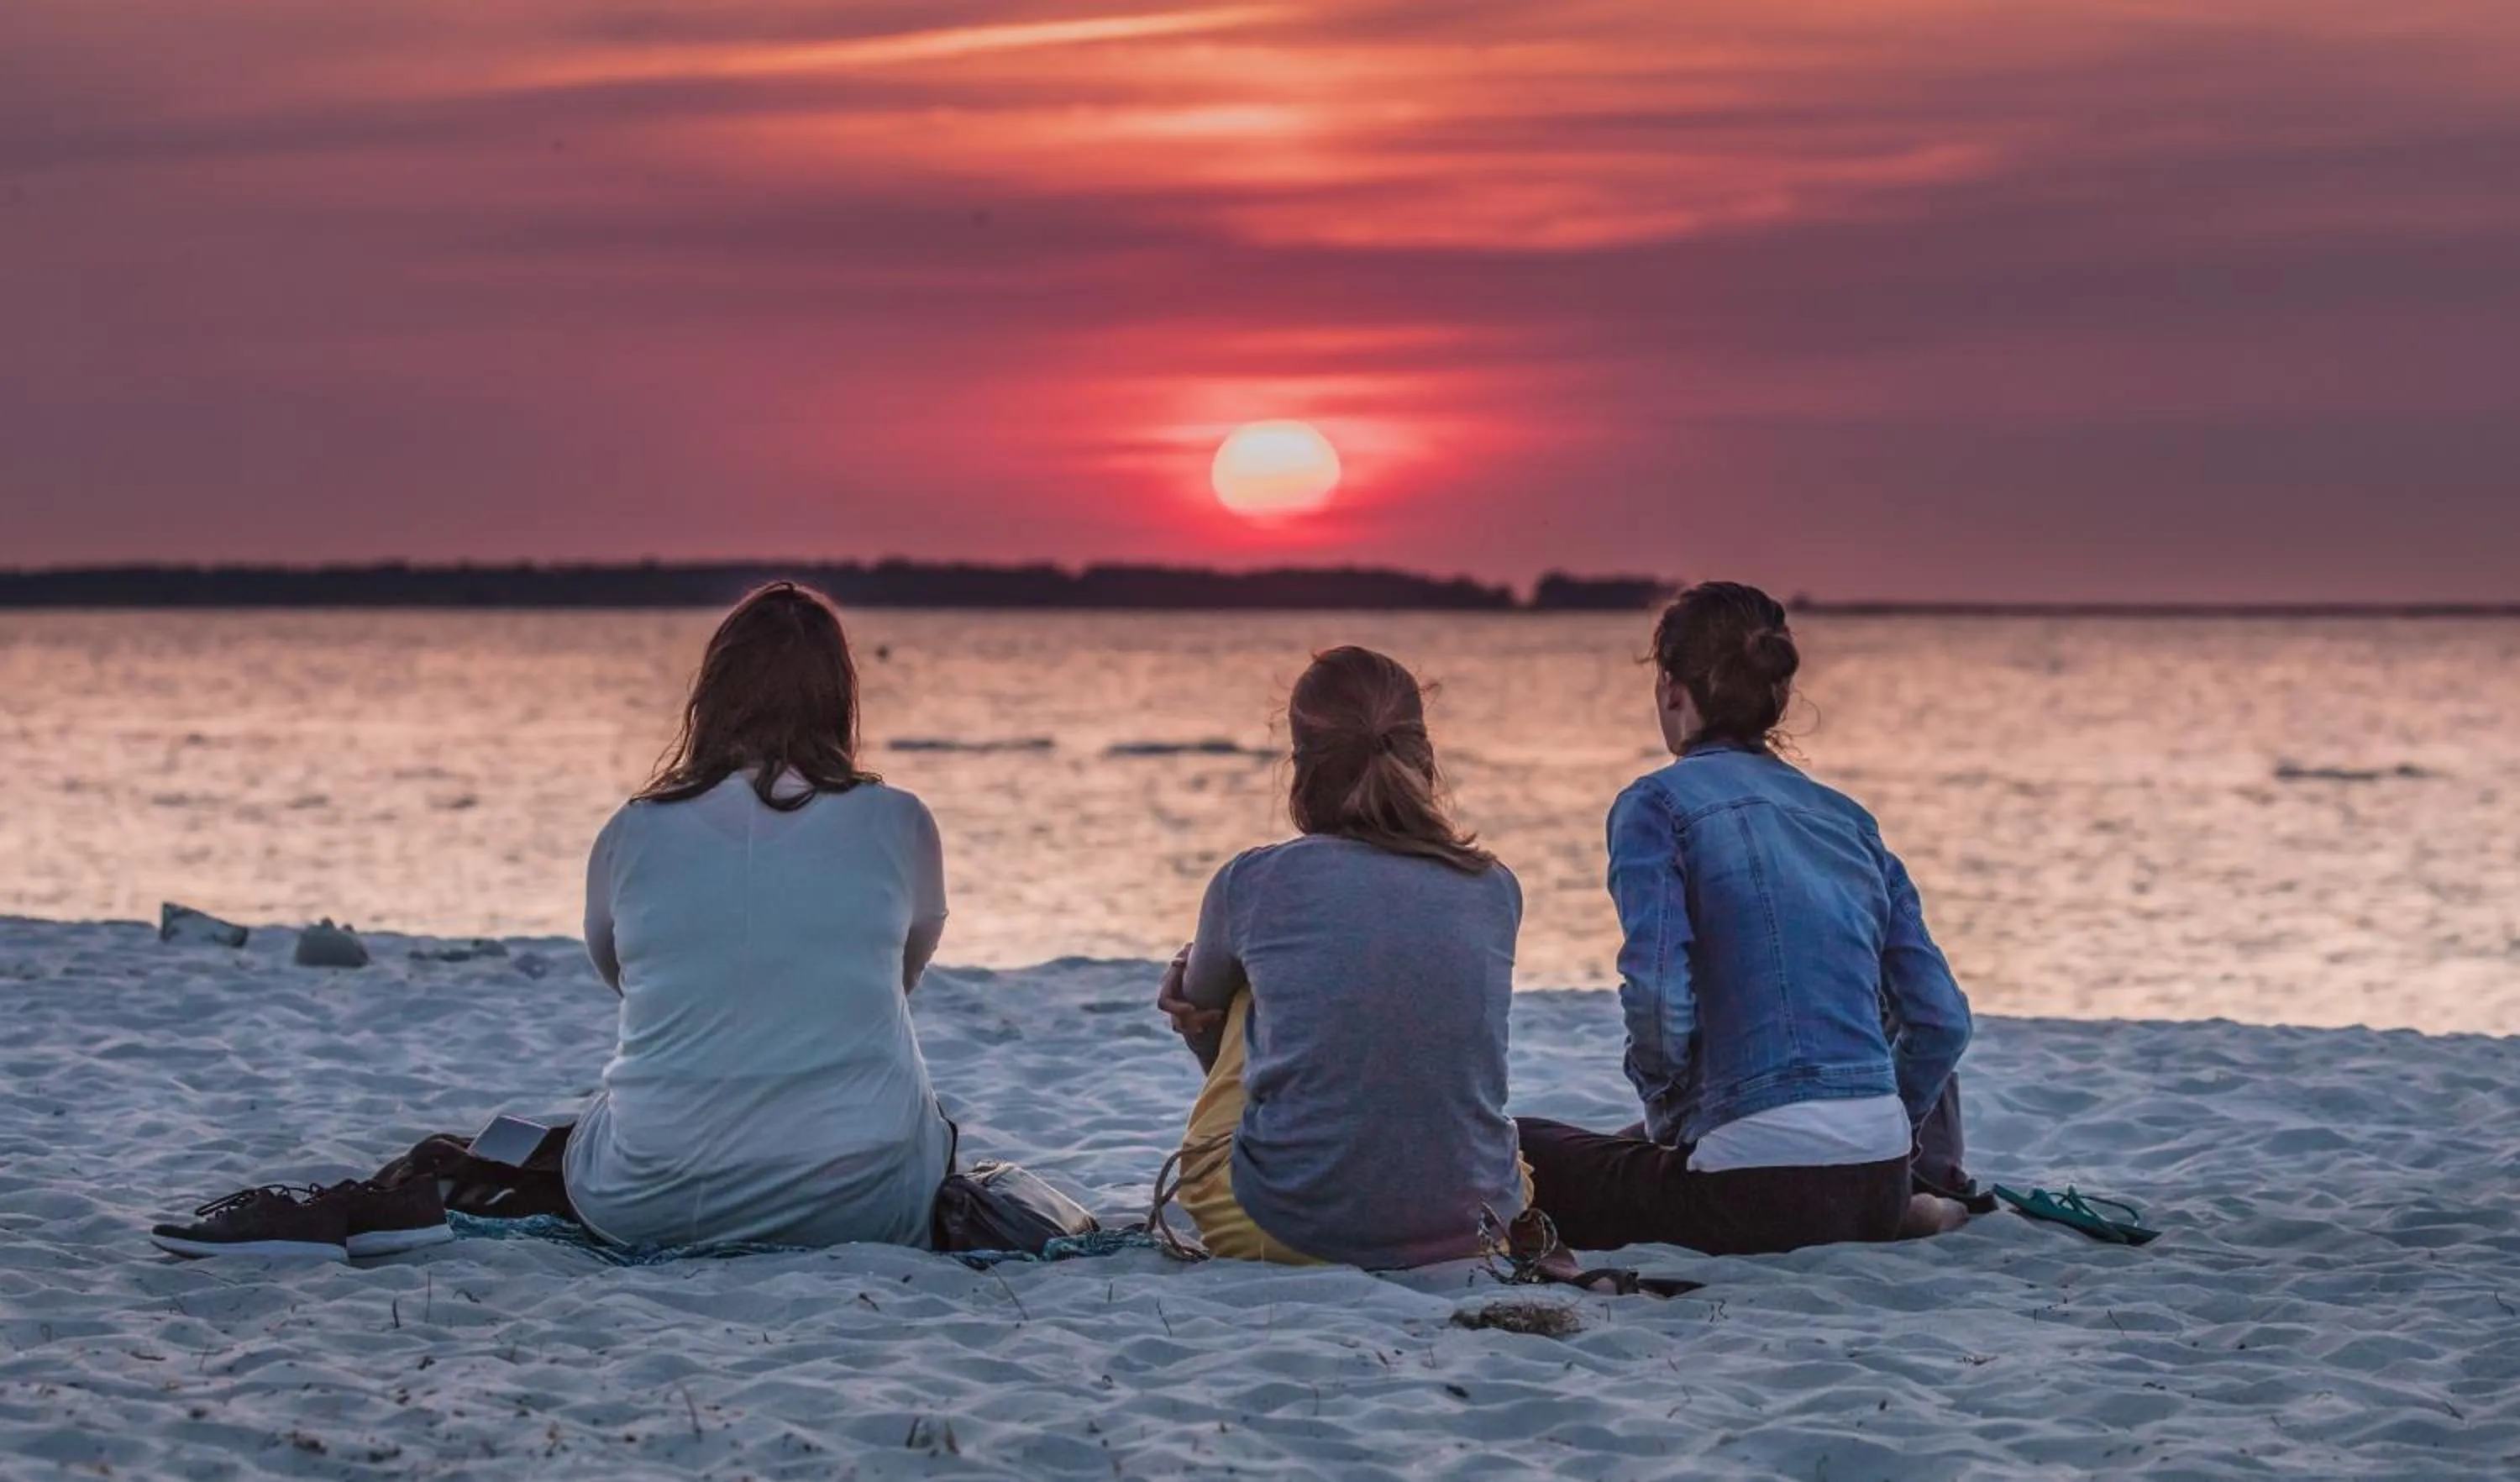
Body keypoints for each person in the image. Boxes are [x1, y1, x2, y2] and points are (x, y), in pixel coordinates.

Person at [1515, 582, 1975, 1257]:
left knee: (1520, 1147)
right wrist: (1889, 1129)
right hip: (1878, 1177)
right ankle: (1902, 1210)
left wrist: (1667, 1108)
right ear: (1775, 693)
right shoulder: (1851, 820)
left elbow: (1658, 998)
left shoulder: (1657, 805)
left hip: (1746, 1192)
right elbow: (1941, 1021)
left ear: (1672, 688)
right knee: (1627, 1150)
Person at [564, 581, 953, 1249]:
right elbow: (901, 975)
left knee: (602, 1116)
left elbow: (622, 974)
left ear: (712, 697)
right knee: (922, 1108)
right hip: (858, 1201)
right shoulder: (900, 821)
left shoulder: (633, 830)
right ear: (839, 698)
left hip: (649, 1201)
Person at [1152, 646, 1527, 1269]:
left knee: (1242, 986)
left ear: (1300, 764)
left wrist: (1185, 982)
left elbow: (1204, 1016)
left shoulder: (1253, 881)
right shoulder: (1494, 886)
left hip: (1280, 1229)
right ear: (1423, 756)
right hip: (1474, 1228)